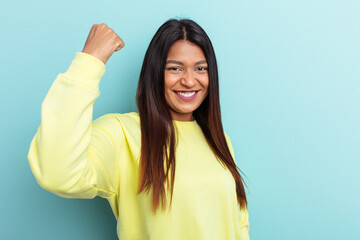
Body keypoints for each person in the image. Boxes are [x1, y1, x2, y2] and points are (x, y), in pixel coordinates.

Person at [27, 19, 250, 240]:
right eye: (175, 68)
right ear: (154, 73)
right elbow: (56, 174)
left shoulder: (218, 140)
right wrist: (90, 61)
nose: (190, 81)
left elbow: (238, 222)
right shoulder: (121, 134)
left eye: (201, 68)